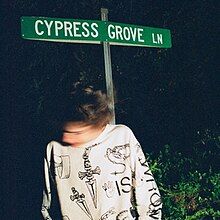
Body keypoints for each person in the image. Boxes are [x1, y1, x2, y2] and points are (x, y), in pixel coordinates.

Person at [41, 84, 162, 220]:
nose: (66, 138)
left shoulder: (122, 137)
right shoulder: (54, 148)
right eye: (65, 131)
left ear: (95, 124)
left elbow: (147, 193)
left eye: (76, 133)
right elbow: (48, 204)